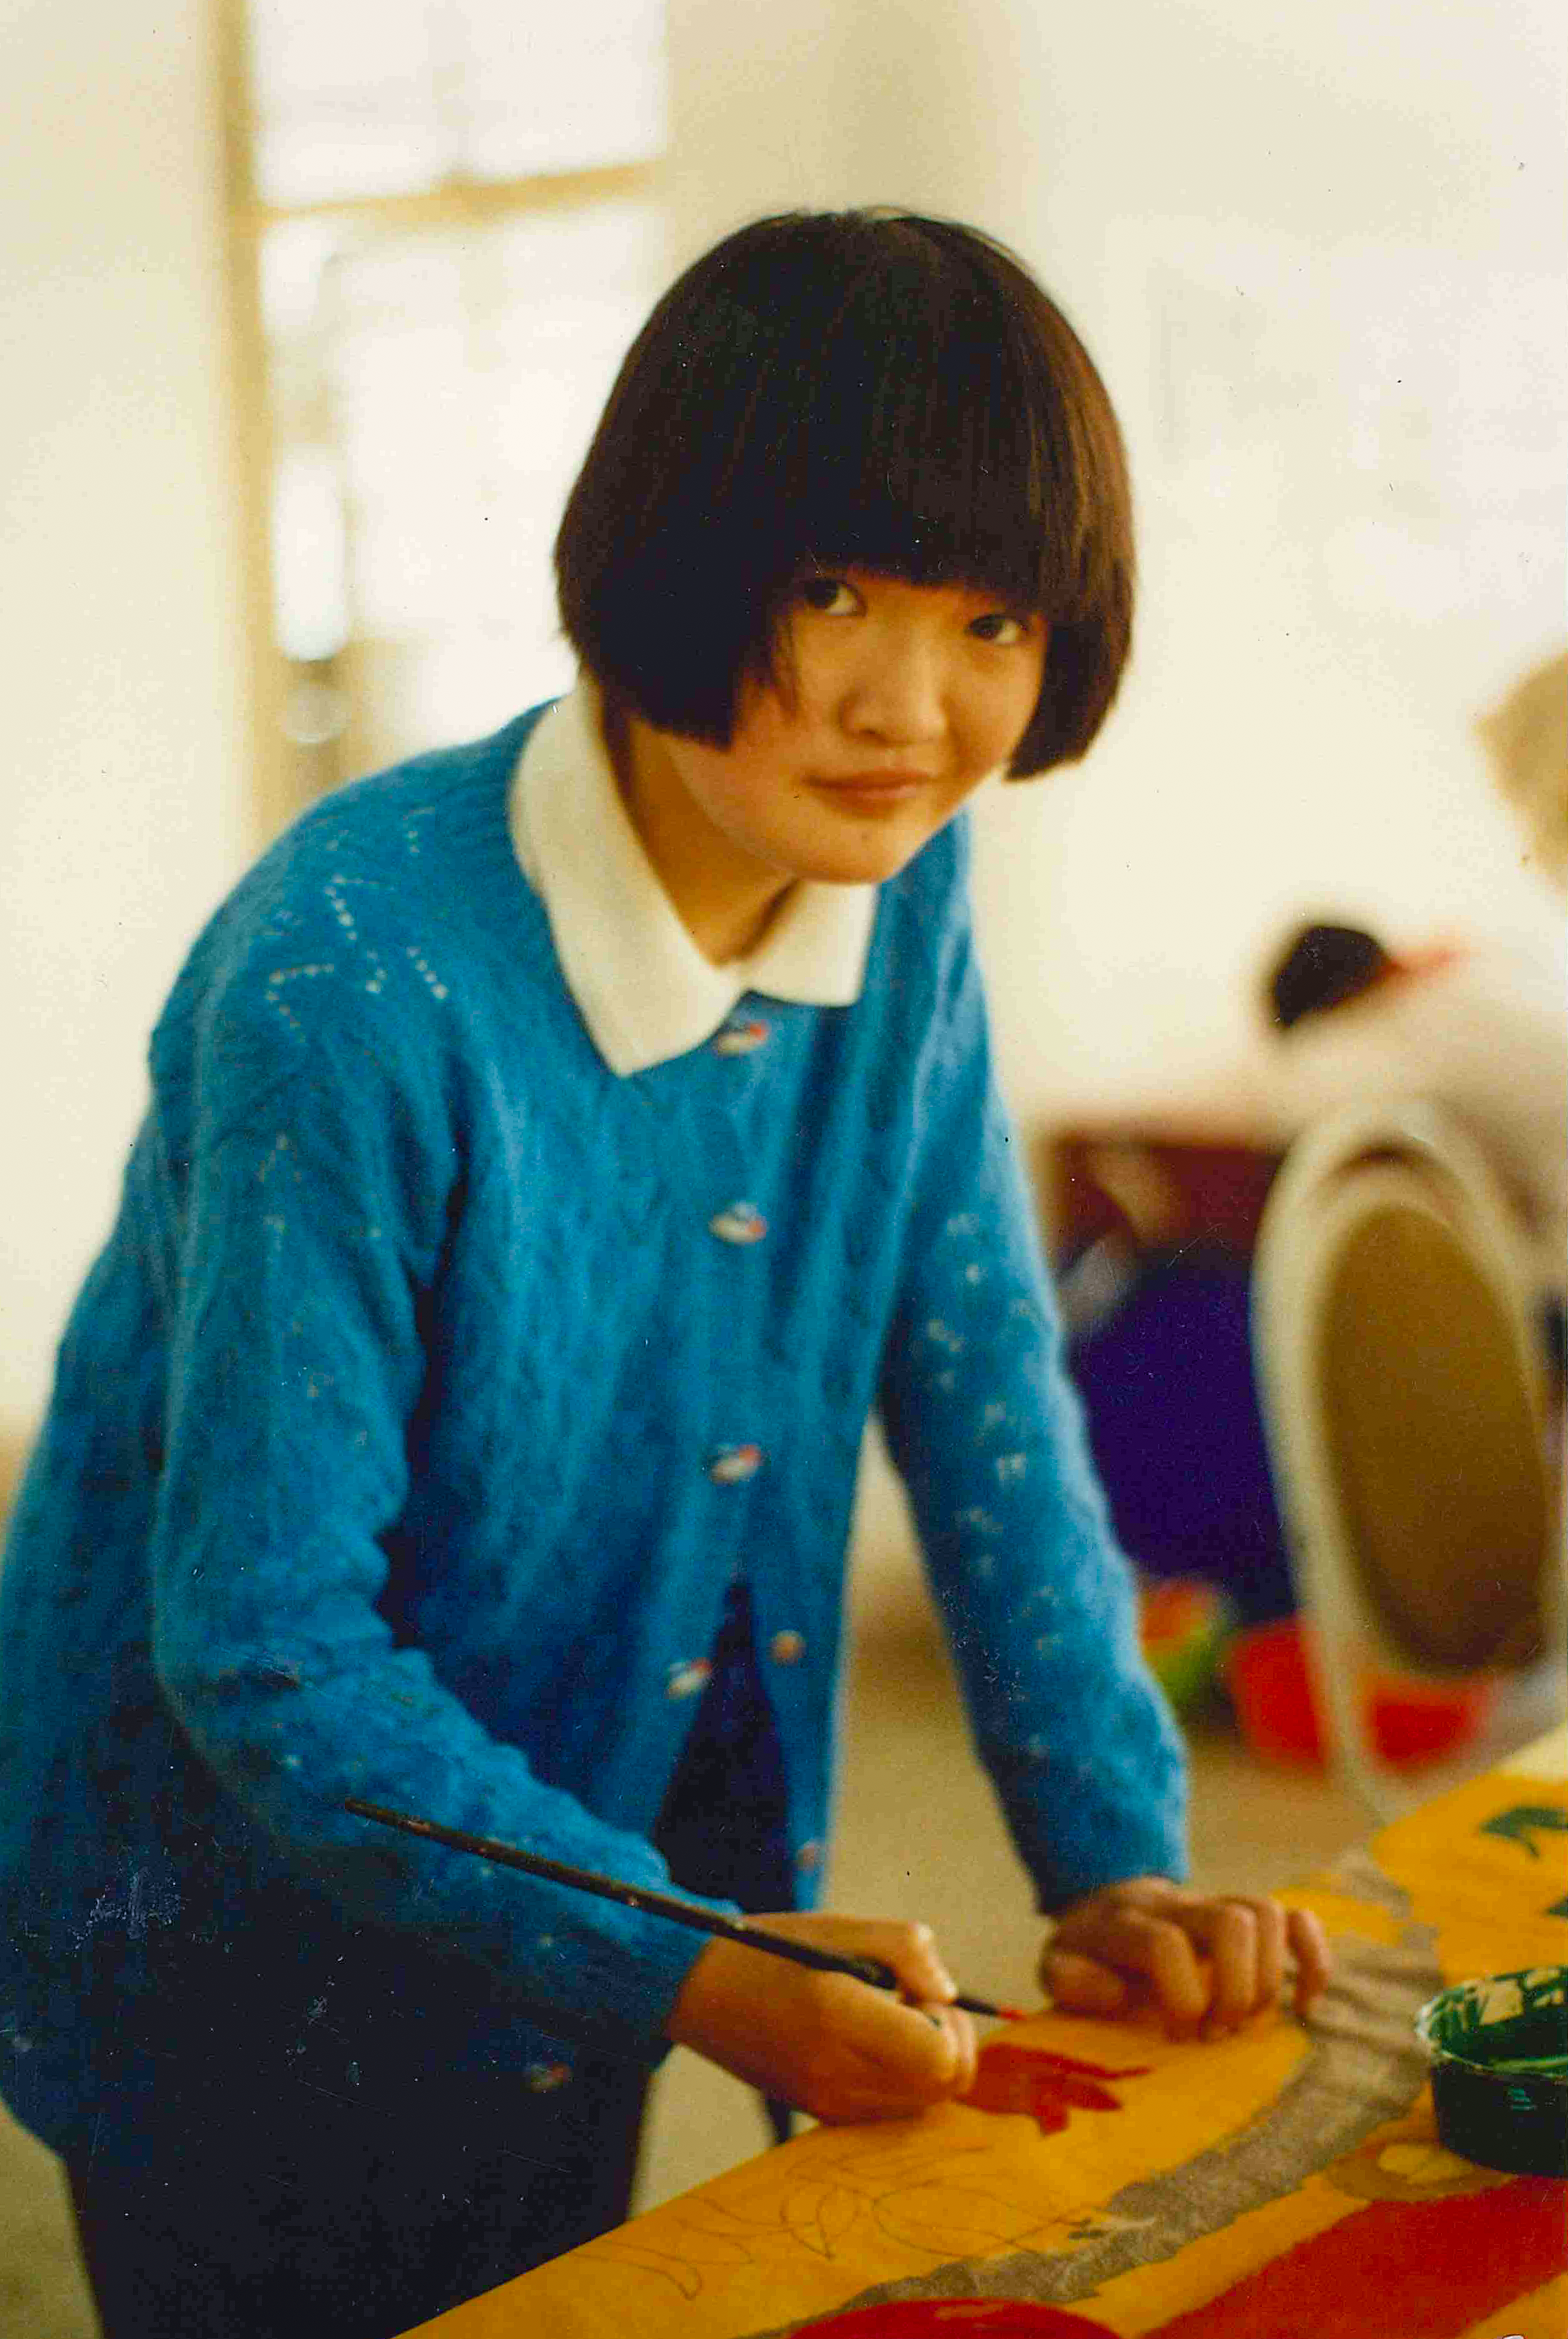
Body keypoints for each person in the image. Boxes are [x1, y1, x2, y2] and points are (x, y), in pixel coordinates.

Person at [0, 209, 1331, 2338]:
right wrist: (691, 1961)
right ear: (669, 557)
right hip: (230, 1941)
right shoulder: (348, 973)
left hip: (593, 1862)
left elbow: (977, 1372)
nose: (915, 708)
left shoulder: (896, 880)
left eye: (992, 618)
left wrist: (1114, 1863)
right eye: (834, 595)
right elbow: (260, 1649)